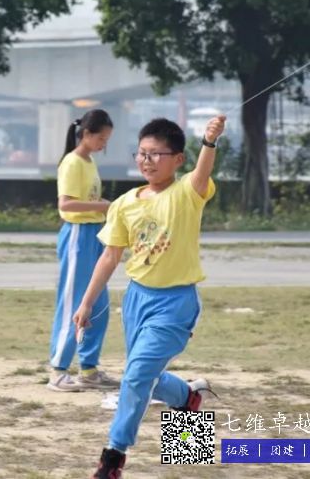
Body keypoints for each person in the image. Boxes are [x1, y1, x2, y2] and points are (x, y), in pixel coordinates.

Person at [73, 116, 226, 477]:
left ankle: (113, 458)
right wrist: (86, 302)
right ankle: (189, 399)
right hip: (137, 300)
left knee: (137, 375)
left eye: (156, 154)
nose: (147, 161)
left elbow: (202, 173)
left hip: (176, 303)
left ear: (178, 159)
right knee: (144, 375)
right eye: (142, 153)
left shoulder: (187, 193)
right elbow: (110, 257)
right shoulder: (125, 203)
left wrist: (209, 141)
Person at [47, 109, 120, 392]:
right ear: (86, 134)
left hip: (94, 233)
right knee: (73, 302)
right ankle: (58, 370)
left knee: (98, 303)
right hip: (77, 235)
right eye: (101, 138)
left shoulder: (89, 162)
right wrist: (103, 206)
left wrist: (108, 207)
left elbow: (88, 198)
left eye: (107, 140)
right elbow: (65, 204)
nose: (104, 144)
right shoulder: (72, 162)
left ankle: (88, 368)